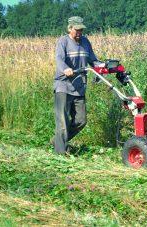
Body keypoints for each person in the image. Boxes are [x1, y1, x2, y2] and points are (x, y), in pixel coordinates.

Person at [52, 16, 104, 154]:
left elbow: (93, 60)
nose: (80, 32)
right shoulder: (63, 41)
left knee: (81, 120)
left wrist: (102, 66)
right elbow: (59, 59)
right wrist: (65, 69)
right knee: (62, 122)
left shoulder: (86, 42)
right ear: (70, 28)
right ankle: (61, 154)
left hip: (79, 86)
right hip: (63, 85)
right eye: (77, 30)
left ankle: (58, 141)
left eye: (81, 29)